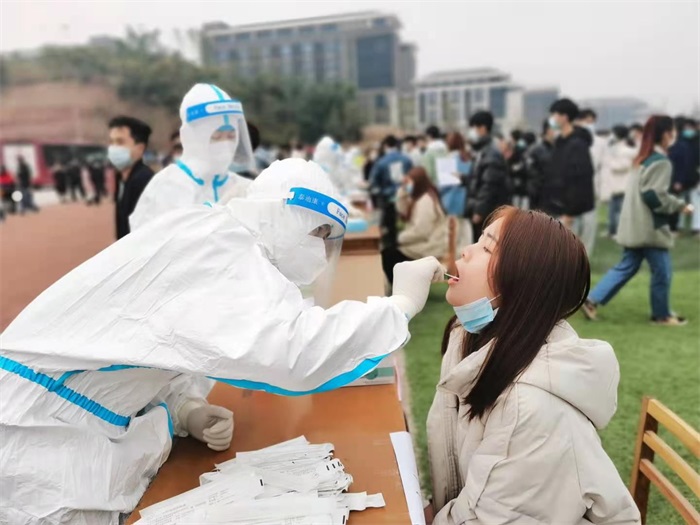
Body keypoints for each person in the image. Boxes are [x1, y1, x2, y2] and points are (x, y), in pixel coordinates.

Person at [0, 158, 444, 524]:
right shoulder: (222, 249)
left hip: (72, 427)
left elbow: (150, 345)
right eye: (317, 233)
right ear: (280, 215)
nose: (320, 251)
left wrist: (184, 409)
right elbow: (291, 352)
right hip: (39, 435)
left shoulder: (220, 239)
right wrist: (399, 306)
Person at [426, 206, 640, 525]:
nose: (467, 251)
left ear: (522, 283)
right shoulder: (467, 339)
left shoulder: (529, 409)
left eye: (487, 248)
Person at [582, 116, 693, 326]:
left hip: (633, 225)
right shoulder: (660, 162)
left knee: (626, 266)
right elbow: (654, 195)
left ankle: (592, 299)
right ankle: (661, 315)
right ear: (666, 134)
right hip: (650, 227)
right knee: (662, 272)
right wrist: (679, 206)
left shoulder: (641, 159)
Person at [129, 84, 255, 232]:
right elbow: (148, 240)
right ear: (193, 137)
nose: (225, 145)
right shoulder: (167, 186)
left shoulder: (241, 186)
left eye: (231, 136)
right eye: (216, 137)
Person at [541, 98, 596, 254]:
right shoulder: (560, 143)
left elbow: (580, 180)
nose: (552, 119)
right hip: (560, 208)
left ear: (564, 117)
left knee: (574, 258)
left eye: (554, 115)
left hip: (575, 212)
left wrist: (570, 212)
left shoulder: (577, 144)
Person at [381, 166, 447, 283]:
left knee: (389, 256)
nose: (408, 185)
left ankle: (400, 287)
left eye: (409, 182)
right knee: (388, 252)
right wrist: (402, 190)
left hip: (429, 246)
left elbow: (421, 232)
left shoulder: (425, 201)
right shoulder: (418, 197)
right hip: (421, 242)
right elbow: (402, 210)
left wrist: (399, 239)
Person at [465, 111, 511, 240]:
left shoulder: (491, 153)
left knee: (485, 243)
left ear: (483, 128)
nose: (471, 132)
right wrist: (463, 178)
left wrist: (479, 211)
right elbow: (479, 178)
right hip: (483, 208)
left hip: (487, 212)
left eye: (473, 127)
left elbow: (489, 185)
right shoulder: (482, 151)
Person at [108, 115, 154, 239]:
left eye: (120, 142)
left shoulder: (144, 181)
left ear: (140, 148)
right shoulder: (121, 178)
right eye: (112, 142)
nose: (113, 148)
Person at [369, 135, 413, 250]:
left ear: (385, 146)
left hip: (388, 199)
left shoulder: (381, 162)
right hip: (405, 197)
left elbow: (374, 183)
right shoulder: (407, 160)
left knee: (390, 229)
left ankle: (391, 249)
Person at [601, 125, 637, 237]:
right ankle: (612, 230)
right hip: (614, 184)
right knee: (612, 209)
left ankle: (618, 231)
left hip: (622, 185)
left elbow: (623, 166)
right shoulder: (614, 148)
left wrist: (609, 163)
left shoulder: (627, 150)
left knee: (618, 210)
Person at [668, 116, 696, 234]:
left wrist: (679, 180)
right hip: (679, 178)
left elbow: (684, 164)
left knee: (688, 202)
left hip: (684, 179)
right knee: (681, 202)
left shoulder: (682, 144)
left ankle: (678, 226)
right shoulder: (676, 143)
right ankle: (678, 225)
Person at [525, 119, 555, 210]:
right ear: (549, 130)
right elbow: (530, 173)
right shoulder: (535, 150)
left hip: (554, 198)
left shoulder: (558, 149)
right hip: (539, 198)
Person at [507, 130, 529, 209]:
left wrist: (512, 168)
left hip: (517, 179)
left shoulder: (518, 148)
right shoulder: (524, 147)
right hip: (522, 180)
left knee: (516, 202)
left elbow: (515, 163)